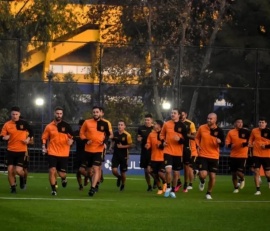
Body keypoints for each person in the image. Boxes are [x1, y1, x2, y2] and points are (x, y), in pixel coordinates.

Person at [41, 106, 74, 196]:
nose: (59, 115)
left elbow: (72, 137)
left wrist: (71, 141)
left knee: (61, 173)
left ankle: (64, 179)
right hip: (52, 152)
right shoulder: (49, 126)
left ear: (62, 115)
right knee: (52, 170)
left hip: (63, 153)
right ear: (54, 114)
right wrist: (44, 146)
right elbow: (44, 137)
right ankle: (53, 189)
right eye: (57, 113)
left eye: (60, 114)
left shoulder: (66, 126)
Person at [0, 106, 33, 193]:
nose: (15, 116)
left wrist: (28, 139)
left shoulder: (24, 123)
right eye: (13, 114)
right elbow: (1, 135)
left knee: (19, 171)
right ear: (11, 114)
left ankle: (22, 178)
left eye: (16, 114)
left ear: (19, 114)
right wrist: (4, 137)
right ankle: (13, 187)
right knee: (10, 170)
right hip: (10, 151)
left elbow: (31, 132)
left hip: (21, 151)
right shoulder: (7, 124)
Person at [79, 106, 111, 197]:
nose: (95, 114)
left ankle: (93, 188)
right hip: (88, 150)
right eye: (94, 112)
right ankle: (92, 180)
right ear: (92, 113)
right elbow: (81, 133)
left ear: (100, 113)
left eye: (97, 112)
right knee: (89, 171)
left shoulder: (105, 124)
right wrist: (86, 140)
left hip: (98, 149)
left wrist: (104, 142)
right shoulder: (87, 122)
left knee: (96, 168)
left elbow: (108, 135)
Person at [195, 113, 225, 200]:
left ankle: (208, 193)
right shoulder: (202, 127)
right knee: (203, 174)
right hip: (203, 155)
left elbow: (223, 144)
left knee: (212, 176)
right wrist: (197, 145)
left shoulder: (219, 131)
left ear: (215, 120)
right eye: (208, 118)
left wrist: (219, 142)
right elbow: (197, 138)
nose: (209, 120)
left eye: (211, 119)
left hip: (214, 156)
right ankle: (202, 181)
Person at [160, 108, 188, 198]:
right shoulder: (166, 124)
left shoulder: (183, 126)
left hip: (178, 153)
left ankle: (172, 190)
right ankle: (167, 187)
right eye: (171, 113)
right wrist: (163, 142)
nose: (172, 114)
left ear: (179, 115)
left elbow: (186, 141)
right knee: (168, 170)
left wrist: (179, 140)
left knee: (176, 173)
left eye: (174, 113)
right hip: (168, 151)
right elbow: (161, 135)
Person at [225, 118, 250, 193]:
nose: (240, 124)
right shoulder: (231, 132)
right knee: (233, 174)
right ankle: (236, 188)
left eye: (241, 122)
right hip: (233, 156)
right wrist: (230, 146)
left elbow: (251, 141)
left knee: (239, 172)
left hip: (243, 155)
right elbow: (227, 144)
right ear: (235, 123)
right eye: (238, 122)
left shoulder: (246, 132)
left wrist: (245, 144)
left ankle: (242, 179)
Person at [248, 117, 270, 195]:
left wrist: (266, 146)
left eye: (263, 122)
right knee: (256, 172)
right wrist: (250, 143)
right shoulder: (254, 130)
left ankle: (268, 180)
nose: (261, 124)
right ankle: (258, 190)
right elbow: (251, 139)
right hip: (256, 154)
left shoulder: (268, 131)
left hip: (266, 155)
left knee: (268, 174)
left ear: (266, 123)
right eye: (260, 122)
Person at [110, 120, 132, 191]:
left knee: (123, 172)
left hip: (124, 155)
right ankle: (119, 177)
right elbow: (113, 141)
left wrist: (122, 146)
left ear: (124, 126)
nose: (120, 126)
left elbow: (130, 145)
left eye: (121, 125)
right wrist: (111, 147)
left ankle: (123, 184)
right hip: (116, 155)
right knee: (114, 170)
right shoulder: (115, 133)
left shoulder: (127, 135)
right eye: (119, 125)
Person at [145, 120, 167, 194]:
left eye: (155, 124)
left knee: (160, 173)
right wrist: (147, 146)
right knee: (151, 172)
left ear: (159, 125)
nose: (153, 125)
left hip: (162, 157)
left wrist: (161, 145)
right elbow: (148, 144)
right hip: (153, 157)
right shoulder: (151, 134)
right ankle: (160, 188)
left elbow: (166, 145)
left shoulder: (164, 134)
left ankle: (165, 182)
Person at [179, 110, 197, 192]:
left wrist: (185, 135)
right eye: (180, 115)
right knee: (176, 167)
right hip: (177, 148)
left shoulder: (190, 124)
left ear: (185, 115)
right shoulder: (175, 123)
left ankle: (189, 184)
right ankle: (179, 183)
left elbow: (194, 136)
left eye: (183, 115)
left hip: (188, 148)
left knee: (188, 167)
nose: (181, 116)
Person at [137, 113, 154, 191]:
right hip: (144, 151)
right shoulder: (141, 128)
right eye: (145, 120)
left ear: (151, 120)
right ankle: (149, 185)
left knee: (150, 170)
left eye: (148, 120)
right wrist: (139, 139)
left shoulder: (154, 128)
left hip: (153, 151)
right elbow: (138, 137)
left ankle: (157, 181)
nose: (147, 121)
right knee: (146, 171)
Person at [73, 119, 89, 190]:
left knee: (81, 170)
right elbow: (72, 140)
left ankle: (87, 176)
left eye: (82, 125)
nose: (80, 127)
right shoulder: (76, 133)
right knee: (78, 172)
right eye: (80, 125)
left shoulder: (88, 134)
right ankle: (80, 186)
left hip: (86, 154)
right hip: (78, 154)